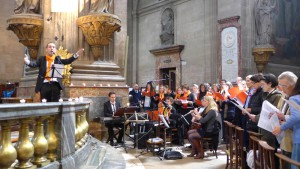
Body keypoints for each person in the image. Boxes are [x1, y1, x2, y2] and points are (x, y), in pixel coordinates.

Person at [272, 71, 298, 168]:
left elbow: (297, 117)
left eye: (285, 86)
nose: (282, 89)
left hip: (293, 138)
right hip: (283, 138)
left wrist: (283, 119)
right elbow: (280, 110)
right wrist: (276, 116)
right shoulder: (283, 94)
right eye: (280, 85)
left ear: (294, 85)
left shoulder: (296, 97)